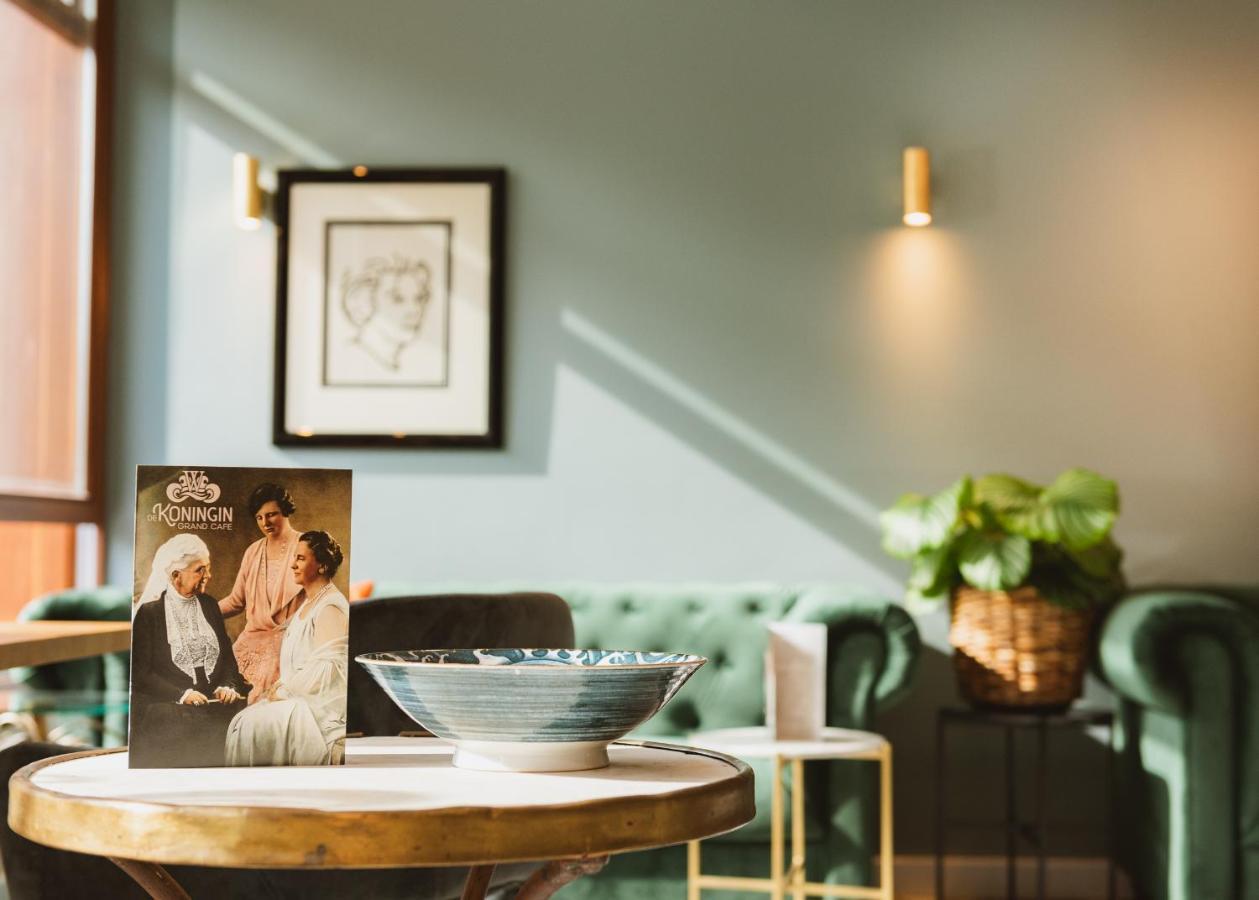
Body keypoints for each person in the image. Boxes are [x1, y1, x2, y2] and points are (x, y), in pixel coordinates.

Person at [225, 531, 349, 766]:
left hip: (320, 708)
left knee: (249, 724)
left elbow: (328, 669)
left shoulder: (330, 606)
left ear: (322, 565)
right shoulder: (309, 603)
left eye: (301, 558)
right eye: (294, 557)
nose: (292, 565)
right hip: (301, 699)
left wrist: (284, 690)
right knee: (243, 720)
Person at [130, 534, 249, 767]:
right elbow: (141, 674)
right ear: (176, 576)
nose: (208, 576)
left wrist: (228, 685)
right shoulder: (150, 613)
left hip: (213, 703)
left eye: (208, 569)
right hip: (170, 704)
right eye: (200, 570)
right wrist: (182, 694)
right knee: (185, 726)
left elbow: (227, 659)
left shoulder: (209, 605)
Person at [219, 483, 304, 704]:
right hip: (251, 640)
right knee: (221, 689)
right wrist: (200, 611)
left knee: (262, 703)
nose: (265, 522)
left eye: (271, 515)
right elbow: (236, 601)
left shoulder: (305, 547)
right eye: (259, 517)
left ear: (285, 511)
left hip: (289, 643)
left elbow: (318, 599)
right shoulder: (253, 551)